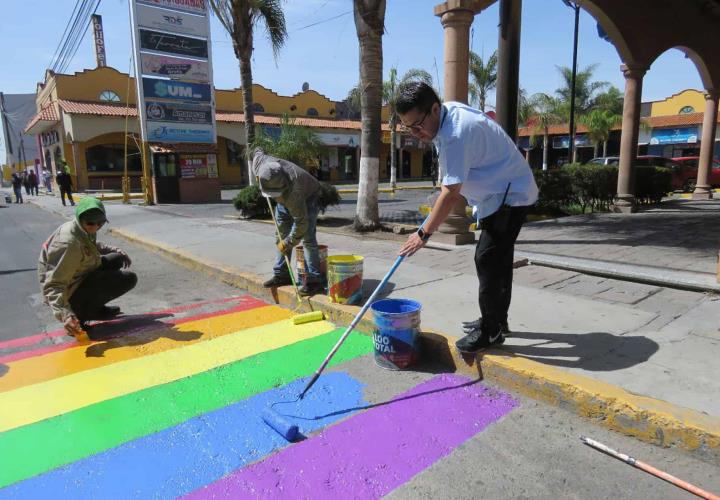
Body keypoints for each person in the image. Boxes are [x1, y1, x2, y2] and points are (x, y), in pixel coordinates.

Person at [397, 82, 538, 353]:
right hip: (500, 193)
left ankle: (490, 330)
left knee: (487, 258)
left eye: (417, 125)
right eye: (408, 128)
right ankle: (497, 320)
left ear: (435, 108)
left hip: (510, 194)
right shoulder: (446, 117)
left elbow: (450, 194)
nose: (416, 134)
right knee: (499, 258)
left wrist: (423, 234)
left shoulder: (455, 134)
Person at [38, 197, 137, 337]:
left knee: (117, 258)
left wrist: (114, 249)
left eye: (101, 223)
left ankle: (94, 307)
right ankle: (80, 315)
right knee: (128, 279)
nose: (95, 227)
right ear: (80, 219)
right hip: (67, 287)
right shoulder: (68, 245)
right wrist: (66, 315)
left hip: (78, 271)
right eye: (91, 223)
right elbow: (53, 285)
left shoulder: (82, 228)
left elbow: (91, 244)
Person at [251, 148, 324, 296]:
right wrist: (283, 240)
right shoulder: (259, 164)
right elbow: (257, 151)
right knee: (280, 234)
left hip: (310, 196)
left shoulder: (294, 192)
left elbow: (301, 224)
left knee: (308, 238)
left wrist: (289, 242)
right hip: (284, 202)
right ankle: (282, 274)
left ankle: (314, 280)